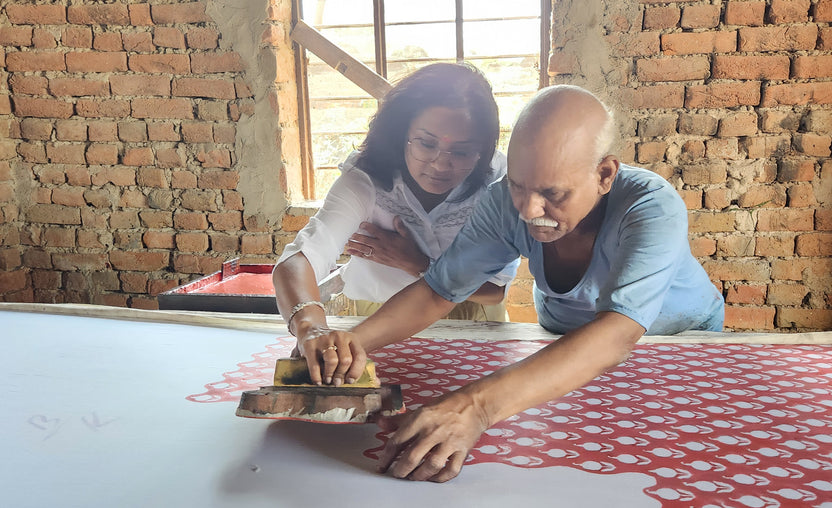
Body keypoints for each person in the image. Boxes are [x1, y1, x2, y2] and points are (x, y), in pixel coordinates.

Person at [295, 85, 725, 482]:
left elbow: (617, 333)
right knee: (571, 455)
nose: (529, 209)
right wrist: (350, 343)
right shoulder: (503, 200)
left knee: (676, 463)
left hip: (679, 341)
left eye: (554, 194)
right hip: (567, 343)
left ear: (605, 175)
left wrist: (476, 407)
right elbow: (438, 290)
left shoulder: (651, 206)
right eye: (519, 186)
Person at [273, 63, 520, 371]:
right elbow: (301, 258)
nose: (441, 165)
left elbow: (494, 292)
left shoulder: (501, 184)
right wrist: (310, 325)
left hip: (473, 319)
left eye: (462, 151)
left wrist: (418, 263)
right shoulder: (366, 179)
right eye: (426, 144)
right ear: (402, 133)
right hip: (373, 320)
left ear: (484, 149)